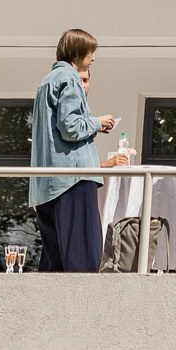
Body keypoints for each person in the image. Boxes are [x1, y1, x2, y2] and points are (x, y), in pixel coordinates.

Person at [30, 28, 115, 272]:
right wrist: (98, 122)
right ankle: (83, 310)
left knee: (55, 264)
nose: (93, 59)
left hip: (47, 184)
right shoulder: (70, 79)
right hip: (73, 179)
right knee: (83, 261)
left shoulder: (45, 82)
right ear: (78, 52)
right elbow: (70, 127)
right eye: (90, 53)